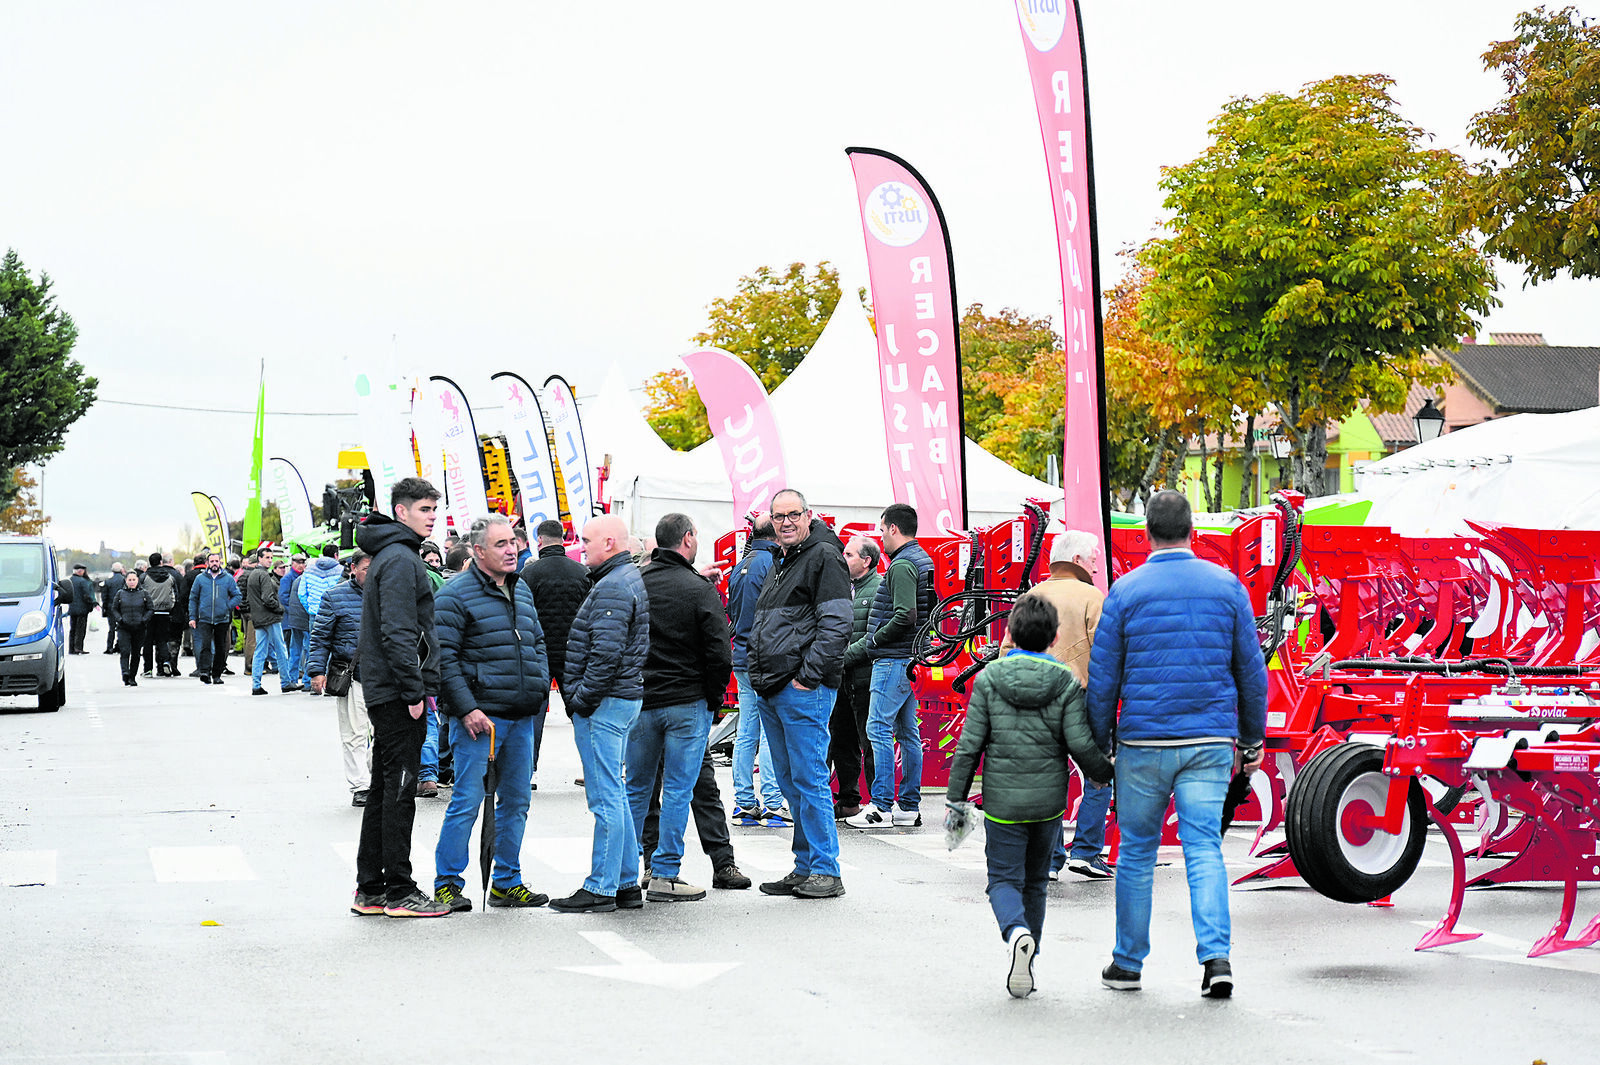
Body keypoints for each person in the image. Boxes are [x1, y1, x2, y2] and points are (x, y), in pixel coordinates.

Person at [1089, 490, 1267, 999]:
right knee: (1204, 849)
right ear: (1193, 531)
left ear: (1147, 533)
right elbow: (1251, 673)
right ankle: (1216, 960)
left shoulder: (1125, 591)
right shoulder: (1227, 587)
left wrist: (1099, 746)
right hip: (1210, 741)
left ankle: (1127, 963)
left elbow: (1104, 678)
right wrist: (1251, 739)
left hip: (1143, 741)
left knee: (1138, 853)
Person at [947, 595, 1113, 999]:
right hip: (1047, 806)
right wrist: (1108, 774)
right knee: (1036, 883)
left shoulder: (989, 679)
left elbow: (970, 746)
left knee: (1003, 880)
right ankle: (1029, 964)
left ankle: (1015, 933)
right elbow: (1080, 744)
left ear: (1009, 633)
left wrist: (956, 798)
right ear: (1054, 638)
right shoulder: (1066, 683)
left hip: (1003, 804)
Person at [431, 515, 551, 913]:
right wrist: (466, 709)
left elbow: (536, 644)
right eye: (500, 544)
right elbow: (443, 660)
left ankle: (506, 881)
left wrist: (538, 689)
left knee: (516, 802)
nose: (511, 549)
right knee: (466, 800)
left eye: (513, 542)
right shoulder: (455, 595)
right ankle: (448, 883)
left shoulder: (523, 591)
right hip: (480, 720)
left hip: (521, 716)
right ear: (478, 551)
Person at [351, 477, 450, 919]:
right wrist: (413, 690)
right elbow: (398, 632)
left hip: (389, 689)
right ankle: (398, 890)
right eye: (424, 509)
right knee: (401, 789)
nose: (432, 516)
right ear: (401, 511)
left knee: (384, 788)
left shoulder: (393, 556)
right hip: (396, 693)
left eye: (434, 509)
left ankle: (371, 889)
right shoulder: (400, 560)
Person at [745, 488, 851, 900]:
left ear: (808, 516)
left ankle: (825, 869)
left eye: (792, 515)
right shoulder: (783, 559)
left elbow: (836, 626)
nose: (785, 522)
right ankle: (806, 865)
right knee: (792, 782)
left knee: (808, 780)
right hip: (776, 686)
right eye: (778, 516)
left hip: (800, 688)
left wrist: (806, 677)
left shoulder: (823, 557)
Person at [629, 513, 733, 903]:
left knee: (636, 789)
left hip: (641, 700)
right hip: (687, 701)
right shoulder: (698, 588)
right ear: (688, 539)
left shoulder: (635, 584)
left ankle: (627, 870)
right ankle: (666, 873)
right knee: (678, 789)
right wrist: (714, 698)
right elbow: (719, 652)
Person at [550, 514, 650, 915]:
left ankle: (602, 886)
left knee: (605, 796)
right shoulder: (622, 579)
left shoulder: (612, 586)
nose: (580, 545)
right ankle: (624, 882)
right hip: (619, 698)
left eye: (586, 540)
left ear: (609, 543)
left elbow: (605, 655)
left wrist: (580, 698)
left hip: (605, 702)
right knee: (617, 793)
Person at [1002, 530, 1111, 880]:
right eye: (1092, 557)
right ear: (1077, 560)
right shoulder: (1093, 597)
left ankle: (1049, 859)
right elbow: (1106, 655)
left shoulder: (1031, 595)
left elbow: (1007, 652)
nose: (1096, 564)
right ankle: (1087, 852)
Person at [845, 503, 934, 830]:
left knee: (878, 729)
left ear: (894, 529)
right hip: (912, 658)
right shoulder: (922, 559)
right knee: (908, 734)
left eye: (882, 530)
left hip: (894, 658)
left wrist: (874, 641)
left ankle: (881, 807)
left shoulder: (901, 565)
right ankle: (908, 806)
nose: (881, 536)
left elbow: (904, 615)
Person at [727, 513, 788, 826]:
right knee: (769, 731)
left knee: (746, 732)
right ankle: (774, 803)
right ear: (776, 533)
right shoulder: (772, 566)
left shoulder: (741, 565)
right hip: (763, 657)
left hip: (740, 655)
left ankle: (744, 802)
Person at [520, 518, 588, 786]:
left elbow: (522, 613)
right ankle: (591, 769)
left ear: (539, 540)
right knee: (581, 710)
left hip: (539, 651)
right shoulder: (582, 572)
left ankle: (526, 772)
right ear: (563, 538)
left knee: (534, 713)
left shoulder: (530, 574)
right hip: (574, 651)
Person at [307, 550, 373, 807]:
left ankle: (374, 777)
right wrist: (317, 671)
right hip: (352, 675)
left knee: (386, 735)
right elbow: (320, 637)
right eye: (367, 568)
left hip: (384, 677)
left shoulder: (388, 595)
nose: (371, 573)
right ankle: (361, 785)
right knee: (354, 734)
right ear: (353, 568)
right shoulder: (334, 597)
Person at [832, 536, 881, 819]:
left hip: (864, 677)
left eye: (849, 554)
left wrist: (841, 658)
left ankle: (877, 803)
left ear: (866, 561)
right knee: (842, 740)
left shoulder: (877, 588)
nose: (843, 558)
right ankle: (849, 799)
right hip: (841, 679)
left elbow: (872, 638)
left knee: (869, 741)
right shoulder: (843, 588)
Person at [246, 549, 296, 695]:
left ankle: (256, 684)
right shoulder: (264, 575)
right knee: (281, 649)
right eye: (267, 557)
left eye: (271, 557)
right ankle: (286, 682)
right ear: (260, 558)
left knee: (260, 651)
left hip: (258, 617)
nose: (270, 560)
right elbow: (268, 598)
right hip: (270, 616)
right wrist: (280, 609)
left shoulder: (253, 575)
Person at [188, 555, 241, 685]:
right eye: (212, 561)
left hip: (222, 619)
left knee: (220, 647)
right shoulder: (200, 579)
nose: (214, 563)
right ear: (207, 563)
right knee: (205, 645)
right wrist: (192, 617)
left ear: (220, 562)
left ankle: (217, 674)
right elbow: (193, 598)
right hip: (204, 618)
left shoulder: (227, 578)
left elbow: (237, 595)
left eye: (216, 561)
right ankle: (205, 672)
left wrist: (227, 607)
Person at [141, 551, 184, 677]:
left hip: (149, 613)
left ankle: (148, 669)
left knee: (148, 642)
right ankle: (166, 661)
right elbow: (175, 596)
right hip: (164, 612)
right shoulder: (170, 577)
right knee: (162, 640)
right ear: (160, 562)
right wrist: (170, 607)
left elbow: (140, 593)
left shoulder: (145, 577)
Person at [110, 571, 152, 687]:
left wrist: (144, 619)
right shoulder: (120, 593)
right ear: (126, 581)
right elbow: (114, 609)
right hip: (124, 627)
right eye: (130, 580)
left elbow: (150, 609)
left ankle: (132, 677)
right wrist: (120, 619)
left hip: (139, 627)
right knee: (125, 651)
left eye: (134, 580)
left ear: (137, 581)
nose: (132, 582)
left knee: (136, 653)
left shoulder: (144, 593)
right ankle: (125, 673)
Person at [279, 553, 310, 687]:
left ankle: (294, 678)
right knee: (299, 649)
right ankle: (299, 678)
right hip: (296, 618)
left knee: (296, 649)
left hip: (295, 618)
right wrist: (293, 611)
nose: (301, 565)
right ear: (293, 563)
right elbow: (283, 597)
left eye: (303, 562)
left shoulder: (298, 577)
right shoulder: (288, 578)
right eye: (299, 562)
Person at [67, 564, 96, 654]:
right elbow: (87, 595)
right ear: (80, 571)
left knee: (73, 629)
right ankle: (78, 648)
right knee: (80, 629)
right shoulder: (83, 581)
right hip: (82, 609)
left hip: (72, 609)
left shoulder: (70, 580)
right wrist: (92, 604)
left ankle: (71, 648)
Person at [100, 562, 125, 653]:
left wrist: (104, 608)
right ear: (121, 570)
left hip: (111, 606)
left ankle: (109, 647)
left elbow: (104, 597)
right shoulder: (125, 581)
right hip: (123, 607)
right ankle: (120, 646)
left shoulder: (108, 582)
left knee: (111, 628)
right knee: (122, 627)